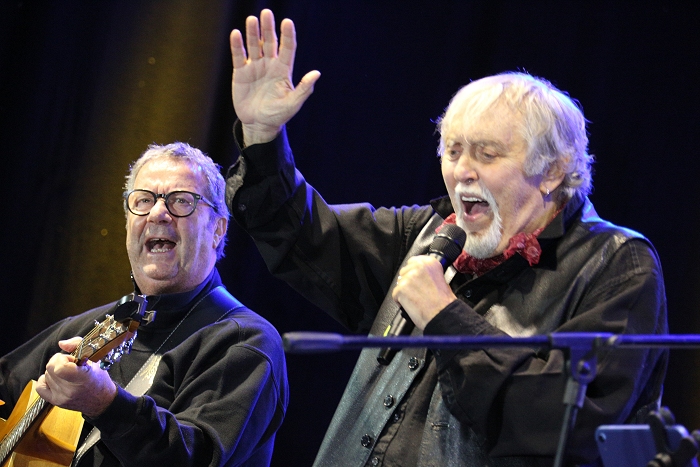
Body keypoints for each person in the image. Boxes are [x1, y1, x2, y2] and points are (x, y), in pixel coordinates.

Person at [225, 9, 668, 467]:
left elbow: (563, 429)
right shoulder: (427, 233)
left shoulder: (616, 265)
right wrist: (262, 136)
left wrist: (444, 315)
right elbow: (303, 235)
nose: (462, 171)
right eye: (453, 151)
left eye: (487, 154)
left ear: (553, 171)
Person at [0, 142, 289, 467]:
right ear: (128, 225)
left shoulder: (245, 342)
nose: (157, 213)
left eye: (181, 200)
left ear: (217, 230)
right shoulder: (85, 329)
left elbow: (195, 459)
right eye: (143, 200)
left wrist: (105, 403)